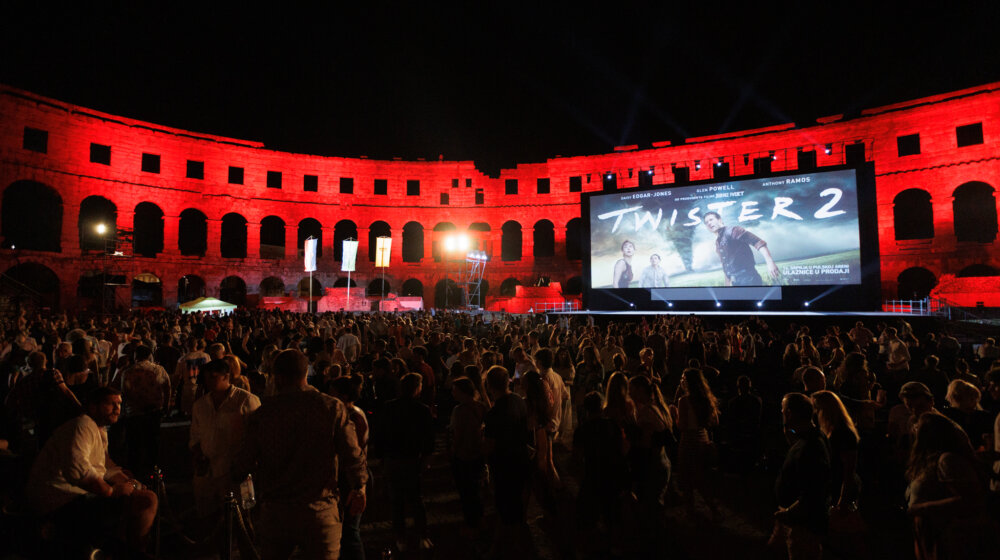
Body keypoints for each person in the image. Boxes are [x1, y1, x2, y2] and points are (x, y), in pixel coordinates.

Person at [235, 348, 367, 560]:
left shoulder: (264, 414)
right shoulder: (331, 407)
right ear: (306, 373)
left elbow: (243, 462)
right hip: (319, 509)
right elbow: (352, 454)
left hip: (276, 510)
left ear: (277, 377)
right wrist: (359, 487)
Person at [26, 387, 159, 556]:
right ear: (93, 407)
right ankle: (133, 552)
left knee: (142, 495)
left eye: (119, 403)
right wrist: (112, 491)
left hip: (72, 496)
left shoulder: (99, 429)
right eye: (111, 404)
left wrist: (129, 483)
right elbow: (79, 472)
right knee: (146, 501)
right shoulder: (83, 425)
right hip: (59, 502)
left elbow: (104, 466)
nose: (117, 408)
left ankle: (125, 549)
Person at [906, 412, 997, 560]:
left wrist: (921, 508)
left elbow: (968, 500)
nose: (914, 430)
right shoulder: (933, 459)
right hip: (935, 534)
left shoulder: (947, 460)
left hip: (950, 539)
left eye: (918, 427)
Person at [189, 358, 260, 520]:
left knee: (241, 518)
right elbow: (195, 436)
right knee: (208, 517)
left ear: (226, 376)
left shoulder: (246, 401)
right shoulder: (200, 405)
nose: (208, 382)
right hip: (208, 473)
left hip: (236, 472)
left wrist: (247, 464)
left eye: (213, 377)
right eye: (206, 378)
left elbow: (256, 436)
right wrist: (198, 455)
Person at [378, 372, 435, 552]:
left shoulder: (388, 408)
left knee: (397, 501)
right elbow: (428, 438)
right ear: (417, 388)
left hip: (393, 459)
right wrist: (426, 458)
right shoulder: (422, 410)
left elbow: (381, 435)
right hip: (412, 459)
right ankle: (422, 535)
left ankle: (401, 537)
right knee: (416, 499)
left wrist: (381, 458)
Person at [771, 392, 831, 560]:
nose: (782, 413)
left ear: (789, 413)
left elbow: (814, 490)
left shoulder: (810, 448)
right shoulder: (812, 437)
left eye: (783, 410)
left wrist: (789, 512)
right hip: (795, 517)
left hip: (802, 522)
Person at [120, 345, 171, 479]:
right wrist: (166, 405)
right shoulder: (158, 370)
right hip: (154, 411)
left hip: (134, 413)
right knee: (152, 443)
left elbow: (124, 392)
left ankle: (134, 475)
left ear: (136, 357)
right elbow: (167, 387)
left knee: (134, 445)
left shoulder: (128, 372)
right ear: (150, 356)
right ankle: (153, 471)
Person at [702, 211, 780, 286]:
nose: (709, 223)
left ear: (720, 220)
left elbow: (757, 242)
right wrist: (727, 285)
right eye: (706, 222)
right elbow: (725, 265)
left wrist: (770, 262)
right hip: (735, 282)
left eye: (711, 220)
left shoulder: (733, 230)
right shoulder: (717, 242)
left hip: (749, 278)